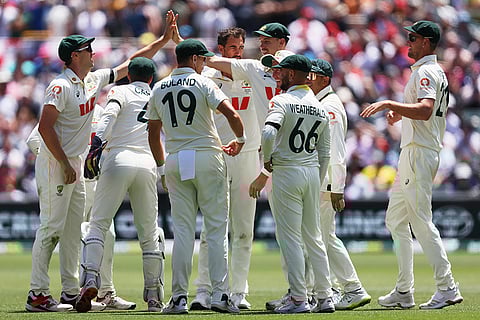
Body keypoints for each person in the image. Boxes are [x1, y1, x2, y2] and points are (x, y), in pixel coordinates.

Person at [25, 10, 178, 312]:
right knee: (51, 228)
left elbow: (130, 64)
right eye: (87, 50)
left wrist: (162, 41)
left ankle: (70, 291)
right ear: (72, 56)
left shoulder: (91, 80)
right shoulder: (60, 86)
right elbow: (44, 128)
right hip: (58, 164)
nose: (93, 53)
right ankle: (37, 294)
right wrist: (66, 164)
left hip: (74, 165)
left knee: (72, 232)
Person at [360, 20, 463, 310]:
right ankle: (404, 291)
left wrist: (388, 104)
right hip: (414, 151)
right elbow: (423, 112)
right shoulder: (430, 70)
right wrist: (401, 114)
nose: (408, 41)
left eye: (414, 37)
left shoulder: (427, 71)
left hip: (419, 152)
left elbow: (426, 109)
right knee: (395, 220)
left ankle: (447, 286)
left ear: (428, 42)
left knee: (420, 220)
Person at [147, 39, 245, 314]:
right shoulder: (204, 83)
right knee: (215, 230)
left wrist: (162, 166)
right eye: (202, 60)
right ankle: (220, 296)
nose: (204, 64)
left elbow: (153, 133)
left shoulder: (159, 86)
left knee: (182, 233)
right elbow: (232, 113)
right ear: (193, 60)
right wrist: (241, 138)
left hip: (176, 159)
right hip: (206, 156)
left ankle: (178, 298)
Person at [77, 57, 166, 313]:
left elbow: (108, 116)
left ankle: (91, 280)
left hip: (117, 159)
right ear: (151, 78)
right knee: (149, 234)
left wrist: (96, 147)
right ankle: (154, 297)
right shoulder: (157, 93)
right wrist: (162, 170)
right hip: (147, 163)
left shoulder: (120, 90)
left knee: (98, 225)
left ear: (129, 76)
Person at [26, 110, 136, 312]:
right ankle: (72, 292)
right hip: (72, 182)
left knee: (108, 236)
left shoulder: (105, 113)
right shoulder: (70, 109)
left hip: (98, 185)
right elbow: (34, 139)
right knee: (72, 239)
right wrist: (55, 165)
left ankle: (105, 292)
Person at [249, 54, 333, 314]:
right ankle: (325, 296)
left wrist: (266, 164)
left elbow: (268, 132)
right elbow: (326, 152)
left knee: (291, 238)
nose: (278, 74)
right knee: (314, 237)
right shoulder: (319, 106)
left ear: (296, 74)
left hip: (286, 170)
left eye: (282, 71)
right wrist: (316, 180)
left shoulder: (282, 101)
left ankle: (298, 298)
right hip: (310, 171)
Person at [190, 27, 260, 310]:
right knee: (212, 227)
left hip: (248, 156)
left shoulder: (253, 73)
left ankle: (239, 292)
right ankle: (204, 291)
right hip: (218, 155)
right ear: (220, 49)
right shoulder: (206, 78)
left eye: (241, 47)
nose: (238, 52)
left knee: (243, 229)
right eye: (232, 47)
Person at [306, 59, 371, 310]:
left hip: (326, 183)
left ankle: (352, 287)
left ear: (324, 79)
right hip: (321, 181)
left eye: (312, 76)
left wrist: (337, 188)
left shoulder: (330, 106)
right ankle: (329, 288)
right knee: (320, 237)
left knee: (324, 237)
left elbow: (336, 151)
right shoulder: (321, 102)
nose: (308, 80)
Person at [206, 22, 291, 130]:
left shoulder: (299, 72)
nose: (262, 47)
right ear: (221, 48)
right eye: (261, 42)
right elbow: (210, 60)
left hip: (280, 141)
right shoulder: (254, 68)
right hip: (232, 144)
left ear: (282, 42)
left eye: (267, 42)